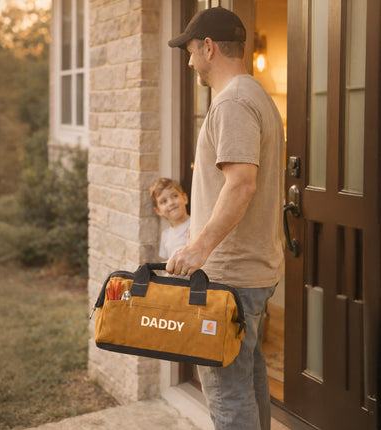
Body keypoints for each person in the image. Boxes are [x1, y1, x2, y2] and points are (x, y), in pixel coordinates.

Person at [167, 6, 284, 430]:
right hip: (249, 274)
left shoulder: (232, 101)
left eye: (192, 51)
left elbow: (241, 185)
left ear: (209, 47)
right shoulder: (257, 95)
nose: (190, 60)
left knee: (228, 399)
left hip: (229, 279)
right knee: (249, 386)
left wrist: (198, 246)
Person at [149, 177, 190, 260]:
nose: (171, 203)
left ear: (185, 198)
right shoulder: (166, 235)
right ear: (158, 211)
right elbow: (167, 263)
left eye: (175, 196)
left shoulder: (195, 224)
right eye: (164, 201)